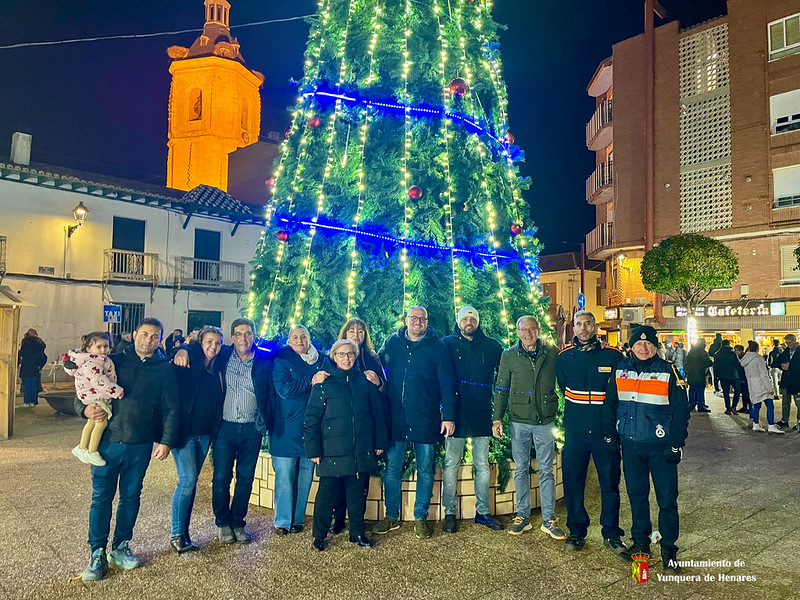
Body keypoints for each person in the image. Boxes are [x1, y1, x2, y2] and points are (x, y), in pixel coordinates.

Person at [75, 317, 180, 582]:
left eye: (155, 336)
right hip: (107, 442)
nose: (148, 340)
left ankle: (121, 546)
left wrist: (166, 440)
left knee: (131, 497)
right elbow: (82, 384)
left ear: (160, 340)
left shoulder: (165, 369)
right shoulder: (114, 360)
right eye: (144, 334)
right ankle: (97, 552)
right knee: (101, 497)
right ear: (134, 335)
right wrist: (84, 410)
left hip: (140, 444)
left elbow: (171, 408)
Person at [602, 325, 690, 573]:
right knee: (637, 496)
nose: (643, 348)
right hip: (631, 446)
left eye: (648, 344)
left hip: (661, 447)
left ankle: (669, 550)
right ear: (631, 347)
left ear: (655, 346)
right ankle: (641, 542)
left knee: (667, 500)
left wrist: (676, 444)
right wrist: (609, 434)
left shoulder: (669, 372)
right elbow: (610, 404)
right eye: (638, 344)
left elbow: (681, 412)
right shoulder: (621, 370)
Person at [374, 305, 456, 540]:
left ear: (427, 322)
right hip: (396, 418)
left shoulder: (438, 347)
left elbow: (447, 383)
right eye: (414, 318)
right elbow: (375, 364)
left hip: (426, 418)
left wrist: (448, 416)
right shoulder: (392, 342)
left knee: (425, 469)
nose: (418, 322)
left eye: (422, 319)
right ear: (406, 320)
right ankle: (391, 515)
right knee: (392, 469)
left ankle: (420, 516)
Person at [304, 339, 388, 551]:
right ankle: (319, 535)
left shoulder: (364, 381)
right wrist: (313, 449)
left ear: (356, 356)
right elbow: (311, 418)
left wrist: (379, 441)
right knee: (326, 496)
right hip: (331, 452)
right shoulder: (323, 382)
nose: (346, 358)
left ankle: (357, 533)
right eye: (341, 354)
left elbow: (377, 414)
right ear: (334, 357)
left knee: (357, 495)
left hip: (360, 450)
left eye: (350, 354)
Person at [555, 310, 627, 557]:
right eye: (579, 324)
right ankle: (576, 530)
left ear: (595, 327)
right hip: (575, 432)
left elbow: (619, 393)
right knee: (573, 482)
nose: (583, 328)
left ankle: (611, 532)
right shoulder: (564, 358)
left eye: (588, 324)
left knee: (610, 483)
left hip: (604, 432)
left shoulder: (613, 356)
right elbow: (563, 387)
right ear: (573, 328)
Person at [493, 316, 565, 541]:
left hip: (545, 421)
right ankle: (522, 516)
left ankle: (549, 519)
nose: (528, 333)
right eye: (523, 329)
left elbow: (564, 379)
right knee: (521, 469)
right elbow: (501, 388)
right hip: (519, 421)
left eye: (532, 329)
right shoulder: (509, 355)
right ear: (517, 332)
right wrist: (497, 418)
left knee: (546, 470)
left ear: (539, 330)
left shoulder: (551, 352)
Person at [441, 306, 504, 533]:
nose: (469, 322)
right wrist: (446, 413)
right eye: (465, 319)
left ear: (477, 322)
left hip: (482, 412)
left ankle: (482, 512)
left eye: (473, 319)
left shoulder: (492, 346)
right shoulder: (446, 344)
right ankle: (449, 512)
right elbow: (441, 378)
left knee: (482, 465)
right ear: (459, 321)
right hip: (455, 413)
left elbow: (506, 372)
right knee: (451, 463)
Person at [169, 326, 225, 553]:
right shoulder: (188, 364)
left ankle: (184, 532)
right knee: (187, 480)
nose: (213, 346)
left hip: (204, 435)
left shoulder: (218, 368)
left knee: (191, 483)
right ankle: (176, 534)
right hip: (184, 434)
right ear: (200, 342)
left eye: (217, 343)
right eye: (209, 341)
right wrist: (181, 348)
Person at [329, 318, 386, 534]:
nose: (356, 334)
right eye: (352, 331)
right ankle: (338, 520)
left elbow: (384, 389)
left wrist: (379, 383)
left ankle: (357, 525)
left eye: (360, 331)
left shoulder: (372, 358)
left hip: (364, 428)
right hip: (340, 430)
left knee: (360, 482)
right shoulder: (335, 356)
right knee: (339, 482)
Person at [271, 325, 324, 535]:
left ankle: (298, 519)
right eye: (295, 337)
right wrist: (311, 381)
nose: (300, 340)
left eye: (303, 336)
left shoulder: (320, 360)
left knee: (305, 476)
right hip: (285, 429)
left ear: (309, 339)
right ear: (289, 341)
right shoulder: (282, 361)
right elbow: (285, 390)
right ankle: (282, 520)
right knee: (284, 477)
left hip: (311, 428)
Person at [66, 332, 125, 467]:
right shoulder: (93, 363)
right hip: (97, 396)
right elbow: (99, 381)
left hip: (90, 395)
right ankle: (92, 451)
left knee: (91, 423)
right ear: (88, 348)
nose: (103, 350)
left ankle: (82, 447)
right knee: (100, 423)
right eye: (99, 347)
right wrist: (116, 391)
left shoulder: (92, 360)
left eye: (106, 346)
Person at [740, 341, 784, 435]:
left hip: (752, 385)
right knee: (770, 405)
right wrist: (770, 389)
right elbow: (764, 375)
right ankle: (771, 425)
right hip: (762, 385)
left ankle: (756, 424)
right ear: (757, 348)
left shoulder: (744, 360)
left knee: (756, 405)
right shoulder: (758, 359)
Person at [18, 328, 47, 408]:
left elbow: (20, 354)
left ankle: (27, 402)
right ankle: (34, 401)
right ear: (36, 334)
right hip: (35, 368)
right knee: (34, 385)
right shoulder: (39, 344)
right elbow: (43, 357)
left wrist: (18, 364)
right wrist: (40, 366)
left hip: (26, 367)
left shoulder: (25, 343)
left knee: (27, 385)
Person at [776, 334, 800, 429]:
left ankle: (799, 421)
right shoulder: (786, 351)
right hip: (786, 380)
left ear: (794, 341)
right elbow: (778, 361)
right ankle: (784, 420)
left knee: (798, 402)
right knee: (785, 401)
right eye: (786, 343)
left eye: (790, 342)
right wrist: (782, 366)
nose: (788, 345)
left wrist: (790, 366)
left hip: (797, 380)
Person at [684, 339, 712, 413]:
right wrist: (711, 362)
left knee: (692, 389)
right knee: (700, 390)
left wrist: (687, 373)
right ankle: (701, 406)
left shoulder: (691, 352)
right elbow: (708, 362)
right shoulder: (702, 352)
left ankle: (691, 405)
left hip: (691, 374)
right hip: (700, 374)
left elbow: (686, 363)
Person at [714, 340, 740, 415]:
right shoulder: (732, 353)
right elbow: (737, 364)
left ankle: (728, 408)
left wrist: (716, 379)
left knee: (726, 392)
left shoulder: (717, 354)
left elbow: (716, 367)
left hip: (723, 376)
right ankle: (734, 406)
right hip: (733, 375)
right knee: (737, 390)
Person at [734, 344, 751, 414]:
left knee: (746, 393)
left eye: (736, 350)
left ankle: (749, 408)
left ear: (740, 351)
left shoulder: (743, 357)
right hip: (742, 377)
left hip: (744, 377)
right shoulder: (739, 357)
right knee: (744, 393)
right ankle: (745, 407)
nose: (735, 352)